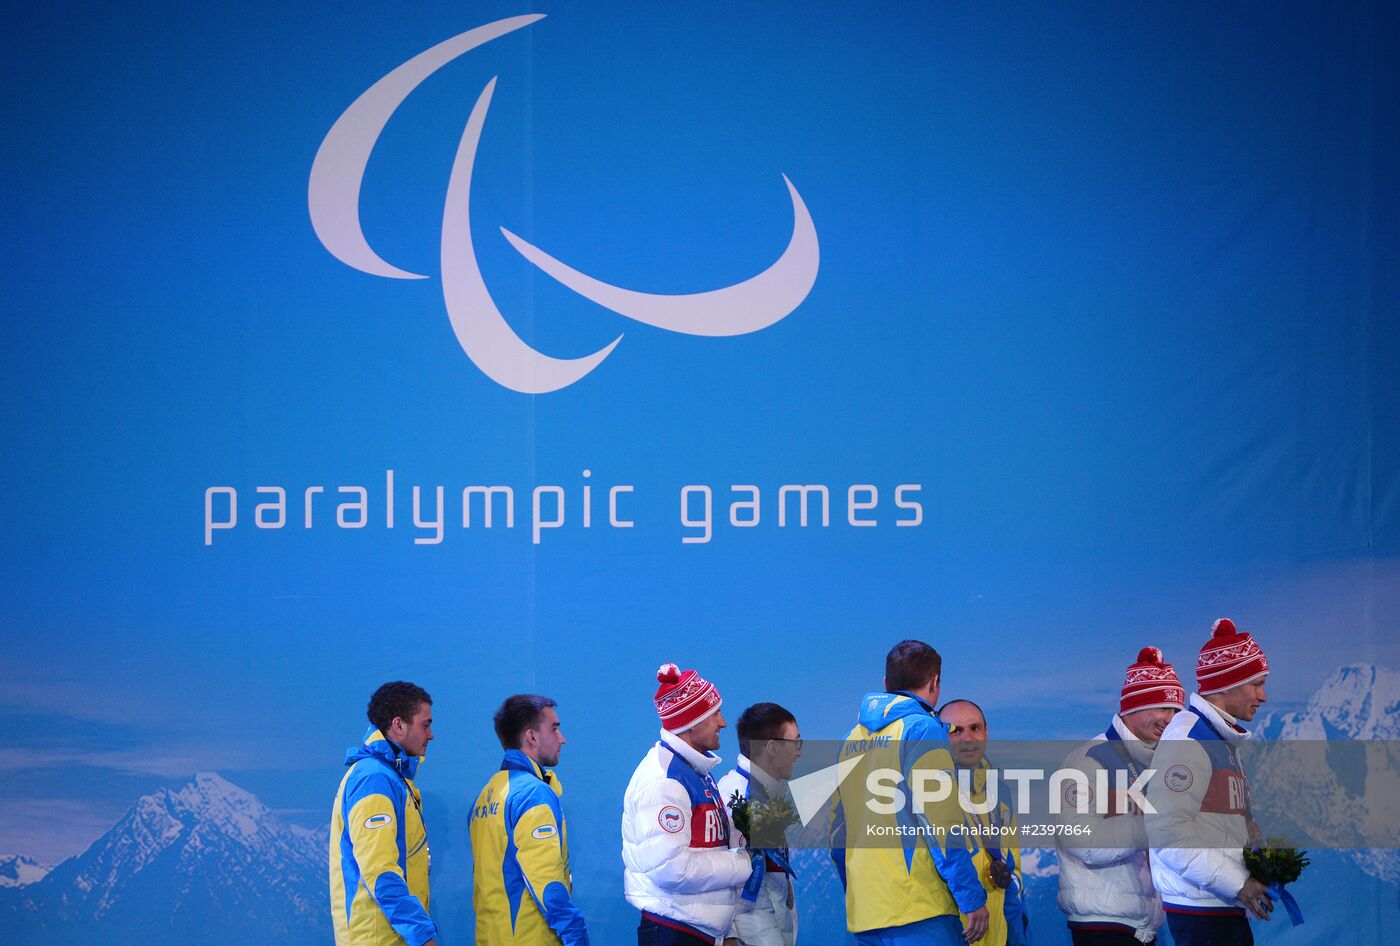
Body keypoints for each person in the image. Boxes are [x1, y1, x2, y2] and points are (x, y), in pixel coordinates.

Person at [830, 640, 989, 945]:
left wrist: (859, 892)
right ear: (934, 682)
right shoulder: (922, 729)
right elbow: (942, 824)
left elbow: (837, 834)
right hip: (920, 908)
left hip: (866, 912)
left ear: (886, 684)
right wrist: (970, 896)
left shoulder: (849, 740)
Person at [1147, 619, 1273, 946]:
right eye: (1256, 684)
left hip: (1217, 903)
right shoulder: (1189, 739)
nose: (1264, 696)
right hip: (1201, 909)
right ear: (1226, 685)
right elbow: (1166, 833)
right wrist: (1237, 882)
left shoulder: (1218, 740)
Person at [1056, 647, 1185, 944]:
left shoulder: (1158, 764)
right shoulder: (1088, 759)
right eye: (1163, 707)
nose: (1171, 719)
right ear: (1133, 707)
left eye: (1176, 711)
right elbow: (1083, 841)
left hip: (1141, 924)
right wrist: (1157, 823)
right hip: (1103, 924)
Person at [622, 662, 755, 944]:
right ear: (690, 722)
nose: (723, 722)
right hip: (676, 932)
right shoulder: (665, 780)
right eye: (715, 713)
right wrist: (741, 864)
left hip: (694, 931)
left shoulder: (694, 772)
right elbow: (670, 869)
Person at [470, 694, 589, 945]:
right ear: (531, 736)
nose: (562, 738)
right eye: (554, 729)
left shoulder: (485, 795)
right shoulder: (533, 794)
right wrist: (577, 937)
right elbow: (547, 883)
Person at [330, 681, 440, 946]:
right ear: (398, 725)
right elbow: (380, 870)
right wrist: (422, 936)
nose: (431, 735)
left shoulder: (389, 777)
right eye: (425, 725)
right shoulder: (374, 778)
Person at [939, 699, 1030, 946]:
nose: (968, 738)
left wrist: (1017, 935)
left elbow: (1013, 869)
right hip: (952, 934)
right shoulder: (930, 791)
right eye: (955, 730)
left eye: (974, 728)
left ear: (986, 732)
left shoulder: (999, 792)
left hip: (996, 935)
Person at [716, 702, 804, 946]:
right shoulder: (736, 796)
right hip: (752, 932)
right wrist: (729, 936)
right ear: (773, 748)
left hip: (770, 926)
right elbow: (727, 883)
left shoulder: (767, 793)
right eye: (795, 742)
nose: (799, 752)